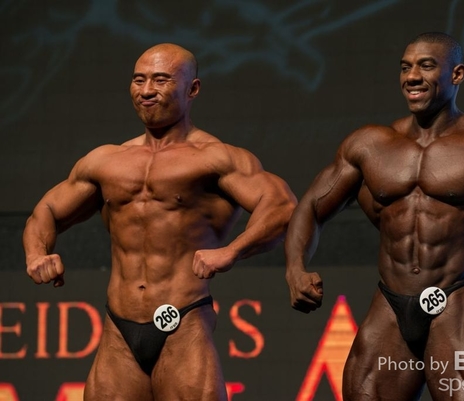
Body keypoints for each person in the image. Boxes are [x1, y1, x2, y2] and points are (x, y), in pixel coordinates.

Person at [285, 32, 464, 400]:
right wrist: (295, 267)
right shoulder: (369, 145)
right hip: (389, 306)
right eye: (405, 68)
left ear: (457, 74)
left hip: (453, 303)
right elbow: (311, 206)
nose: (412, 76)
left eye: (426, 66)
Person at [23, 43, 297, 401]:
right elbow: (45, 211)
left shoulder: (216, 158)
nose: (147, 90)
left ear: (192, 89)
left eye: (161, 80)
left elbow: (282, 207)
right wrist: (37, 253)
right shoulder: (105, 161)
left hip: (184, 322)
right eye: (139, 80)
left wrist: (232, 251)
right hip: (118, 330)